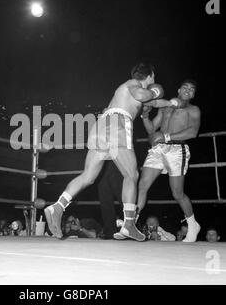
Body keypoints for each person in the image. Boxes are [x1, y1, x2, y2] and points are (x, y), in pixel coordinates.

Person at [45, 63, 179, 240]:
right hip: (118, 125)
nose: (154, 80)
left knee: (88, 176)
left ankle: (58, 206)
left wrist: (171, 102)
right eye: (153, 77)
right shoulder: (134, 84)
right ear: (150, 76)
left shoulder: (131, 93)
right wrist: (155, 91)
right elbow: (143, 94)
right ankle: (129, 224)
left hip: (102, 126)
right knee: (131, 175)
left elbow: (153, 102)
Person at [137, 79, 201, 242]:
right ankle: (132, 222)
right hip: (158, 149)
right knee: (142, 185)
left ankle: (193, 225)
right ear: (179, 90)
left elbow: (192, 132)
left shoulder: (193, 110)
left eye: (191, 89)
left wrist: (166, 136)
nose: (188, 90)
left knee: (177, 193)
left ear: (193, 94)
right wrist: (144, 115)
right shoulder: (165, 106)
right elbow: (152, 129)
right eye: (185, 87)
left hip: (177, 149)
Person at [97, 161, 123, 239]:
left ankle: (131, 227)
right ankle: (110, 232)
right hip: (101, 161)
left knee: (123, 197)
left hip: (116, 159)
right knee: (105, 199)